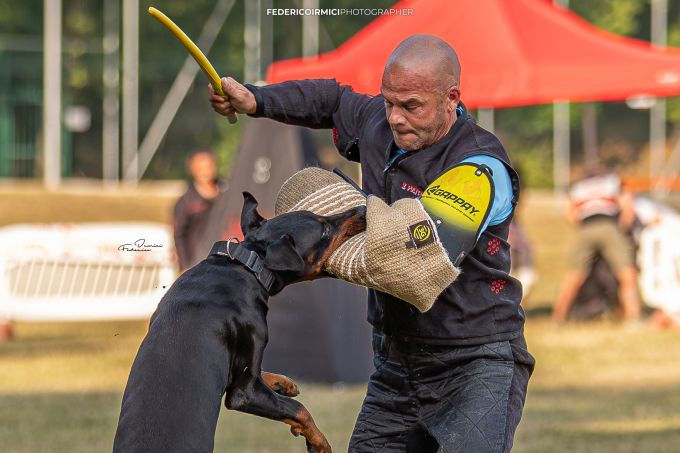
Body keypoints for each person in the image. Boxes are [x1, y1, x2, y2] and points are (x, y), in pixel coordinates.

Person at [209, 35, 534, 453]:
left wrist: (331, 238)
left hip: (475, 363)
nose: (395, 118)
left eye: (411, 106)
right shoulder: (379, 122)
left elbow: (411, 265)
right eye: (388, 102)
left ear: (451, 98)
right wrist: (256, 100)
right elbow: (331, 100)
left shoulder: (478, 166)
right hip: (395, 362)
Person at [552, 171, 641, 323]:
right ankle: (633, 317)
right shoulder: (612, 181)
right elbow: (627, 208)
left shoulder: (578, 186)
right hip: (609, 226)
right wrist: (620, 230)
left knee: (574, 275)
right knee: (626, 273)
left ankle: (558, 318)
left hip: (586, 227)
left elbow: (568, 213)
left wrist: (583, 229)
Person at [172, 150, 225, 271]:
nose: (206, 171)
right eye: (201, 168)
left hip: (226, 259)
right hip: (198, 263)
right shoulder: (185, 202)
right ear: (193, 170)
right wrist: (185, 267)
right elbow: (179, 236)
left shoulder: (227, 192)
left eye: (209, 166)